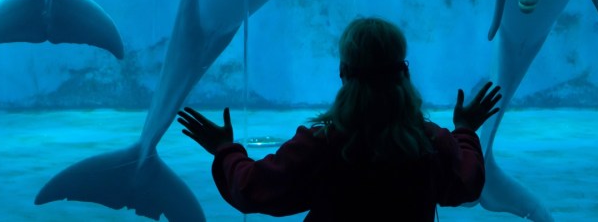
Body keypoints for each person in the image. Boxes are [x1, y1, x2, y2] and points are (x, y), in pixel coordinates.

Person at [177, 16, 501, 221]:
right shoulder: (430, 142)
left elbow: (252, 190)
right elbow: (467, 185)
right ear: (404, 72)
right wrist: (466, 131)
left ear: (343, 73)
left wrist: (225, 149)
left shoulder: (320, 144)